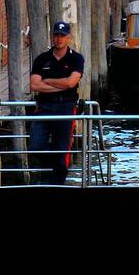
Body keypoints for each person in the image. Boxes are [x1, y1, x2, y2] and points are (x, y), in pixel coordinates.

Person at [29, 21, 85, 185]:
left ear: (69, 37)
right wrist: (61, 84)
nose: (59, 38)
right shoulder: (42, 59)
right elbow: (34, 85)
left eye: (62, 35)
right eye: (56, 35)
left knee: (62, 149)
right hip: (44, 106)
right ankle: (48, 175)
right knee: (35, 144)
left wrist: (48, 81)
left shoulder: (76, 58)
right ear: (52, 36)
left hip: (66, 106)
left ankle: (56, 183)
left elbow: (71, 83)